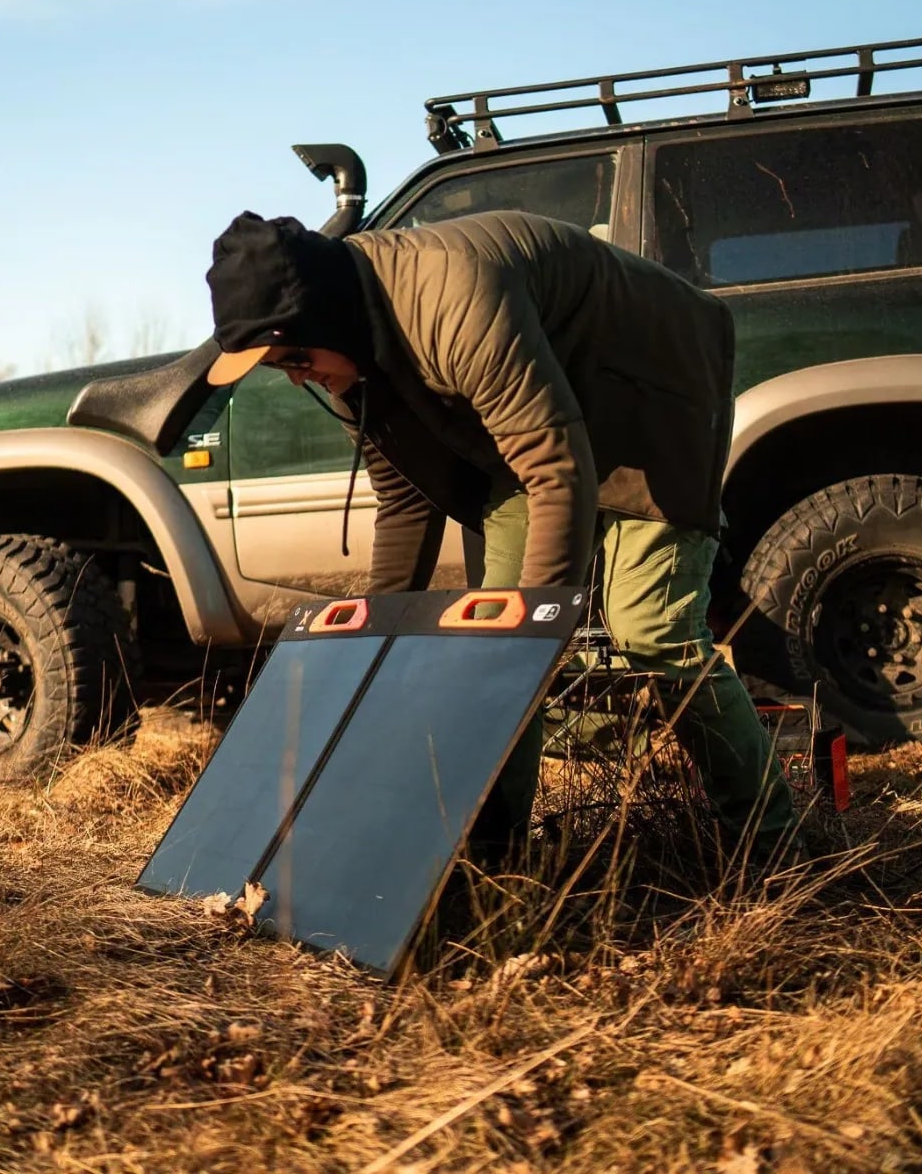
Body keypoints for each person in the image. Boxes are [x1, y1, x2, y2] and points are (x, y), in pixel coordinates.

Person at [203, 208, 797, 862]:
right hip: (537, 420)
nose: (294, 375)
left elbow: (557, 467)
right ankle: (495, 855)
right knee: (489, 643)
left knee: (648, 631)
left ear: (323, 314)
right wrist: (373, 642)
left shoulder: (454, 301)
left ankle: (769, 843)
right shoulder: (345, 363)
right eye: (276, 367)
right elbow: (404, 497)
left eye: (293, 355)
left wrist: (535, 632)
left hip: (647, 395)